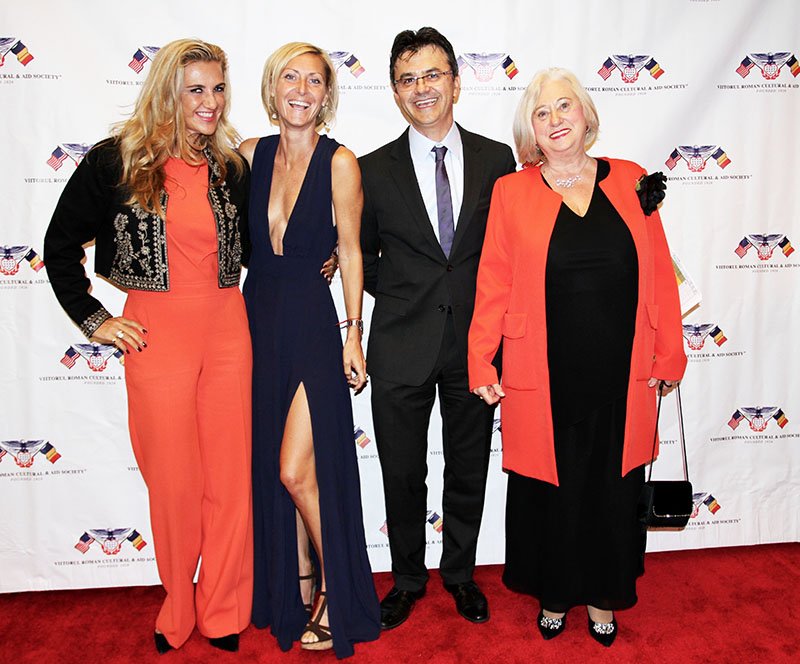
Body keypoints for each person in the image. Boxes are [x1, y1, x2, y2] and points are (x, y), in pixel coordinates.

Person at [44, 39, 253, 654]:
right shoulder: (117, 161)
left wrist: (318, 255)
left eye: (218, 88)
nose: (211, 102)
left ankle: (223, 610)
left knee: (230, 481)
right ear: (167, 92)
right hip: (156, 335)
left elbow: (260, 242)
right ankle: (178, 608)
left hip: (228, 328)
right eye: (196, 90)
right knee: (174, 484)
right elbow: (58, 245)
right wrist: (94, 319)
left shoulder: (231, 168)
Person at [468, 67, 687, 647]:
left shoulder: (632, 180)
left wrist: (670, 353)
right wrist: (481, 359)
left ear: (586, 115)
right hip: (543, 370)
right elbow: (492, 281)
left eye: (564, 106)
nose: (555, 119)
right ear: (531, 131)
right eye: (541, 113)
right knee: (551, 491)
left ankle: (602, 596)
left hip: (621, 369)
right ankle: (555, 593)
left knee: (611, 489)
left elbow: (660, 273)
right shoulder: (511, 192)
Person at [359, 27, 516, 630]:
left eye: (432, 74)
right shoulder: (370, 170)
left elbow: (505, 251)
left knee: (468, 465)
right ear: (395, 91)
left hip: (476, 346)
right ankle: (406, 579)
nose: (421, 88)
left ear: (455, 81)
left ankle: (460, 574)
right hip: (399, 343)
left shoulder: (497, 160)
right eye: (407, 79)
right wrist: (407, 296)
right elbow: (361, 257)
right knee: (402, 471)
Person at [238, 42, 380, 658]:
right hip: (256, 320)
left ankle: (337, 593)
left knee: (297, 471)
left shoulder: (340, 162)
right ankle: (294, 587)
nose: (301, 90)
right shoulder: (249, 154)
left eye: (314, 81)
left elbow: (350, 249)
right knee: (275, 471)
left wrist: (354, 332)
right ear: (273, 89)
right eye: (290, 78)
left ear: (327, 94)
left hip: (312, 326)